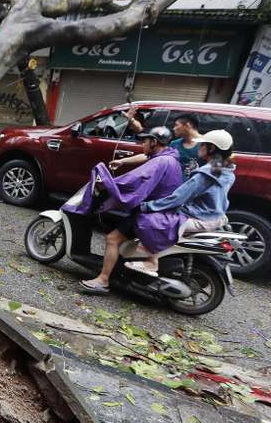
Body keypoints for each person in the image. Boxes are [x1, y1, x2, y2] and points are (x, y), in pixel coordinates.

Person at [62, 127, 183, 294]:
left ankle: (102, 280)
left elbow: (134, 181)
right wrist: (122, 163)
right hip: (160, 212)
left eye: (145, 141)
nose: (142, 144)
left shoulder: (159, 162)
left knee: (112, 238)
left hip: (151, 215)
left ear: (154, 142)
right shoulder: (171, 159)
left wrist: (108, 183)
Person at [122, 130, 236, 276]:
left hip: (200, 217)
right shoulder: (226, 169)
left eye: (202, 145)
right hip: (215, 215)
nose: (199, 148)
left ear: (211, 148)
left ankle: (151, 262)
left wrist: (146, 206)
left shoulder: (205, 174)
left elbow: (177, 198)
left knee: (149, 220)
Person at [110, 114, 204, 179]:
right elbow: (152, 156)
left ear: (188, 125)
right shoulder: (175, 144)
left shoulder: (207, 145)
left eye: (176, 125)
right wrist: (122, 161)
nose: (174, 128)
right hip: (174, 191)